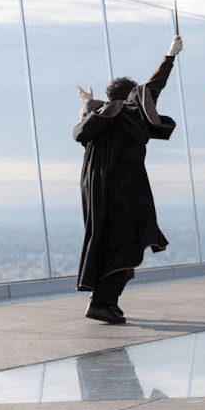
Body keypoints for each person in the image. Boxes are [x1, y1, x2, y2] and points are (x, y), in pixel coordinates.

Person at [74, 34, 183, 324]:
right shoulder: (131, 112)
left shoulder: (100, 117)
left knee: (107, 241)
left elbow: (82, 132)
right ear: (132, 95)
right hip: (124, 188)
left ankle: (105, 300)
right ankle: (101, 302)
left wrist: (87, 104)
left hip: (95, 188)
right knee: (129, 242)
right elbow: (154, 85)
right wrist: (170, 55)